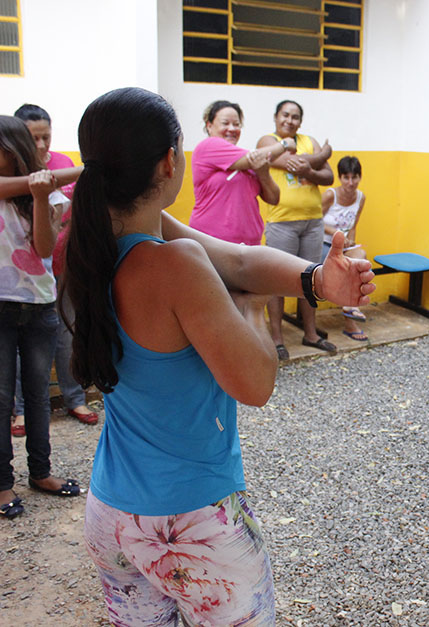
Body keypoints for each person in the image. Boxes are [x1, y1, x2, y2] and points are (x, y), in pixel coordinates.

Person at [66, 87, 373, 623]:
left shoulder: (90, 240)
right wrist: (250, 308)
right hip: (193, 522)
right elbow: (255, 383)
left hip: (112, 513)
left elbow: (237, 258)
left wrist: (318, 280)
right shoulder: (174, 264)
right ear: (169, 162)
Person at [0, 115, 83, 519]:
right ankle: (1, 484)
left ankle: (41, 472)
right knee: (1, 400)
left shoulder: (46, 196)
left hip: (38, 307)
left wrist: (38, 195)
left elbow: (44, 249)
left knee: (37, 396)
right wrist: (78, 171)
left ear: (13, 150)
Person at [12, 104, 99, 429]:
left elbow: (76, 213)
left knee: (67, 334)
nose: (42, 145)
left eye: (46, 137)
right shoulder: (13, 169)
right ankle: (20, 409)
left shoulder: (62, 164)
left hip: (64, 267)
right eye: (34, 138)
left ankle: (74, 399)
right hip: (23, 277)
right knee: (21, 343)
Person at [257, 100, 336, 357]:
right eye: (285, 115)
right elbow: (283, 162)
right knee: (277, 281)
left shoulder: (308, 140)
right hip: (281, 223)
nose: (289, 121)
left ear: (300, 122)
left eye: (295, 117)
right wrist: (321, 156)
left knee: (310, 280)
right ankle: (278, 340)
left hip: (313, 222)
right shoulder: (266, 141)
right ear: (276, 117)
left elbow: (328, 177)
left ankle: (310, 334)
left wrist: (310, 169)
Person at [188, 100, 292, 246]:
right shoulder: (208, 146)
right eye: (225, 123)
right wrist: (285, 144)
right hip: (212, 243)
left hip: (249, 247)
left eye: (236, 124)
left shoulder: (247, 161)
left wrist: (263, 174)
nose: (232, 128)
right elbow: (260, 156)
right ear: (209, 126)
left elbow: (274, 198)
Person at [321, 155, 368, 342]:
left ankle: (350, 311)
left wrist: (351, 242)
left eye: (355, 177)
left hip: (344, 247)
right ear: (340, 178)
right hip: (323, 244)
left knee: (360, 259)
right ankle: (350, 321)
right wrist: (336, 234)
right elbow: (314, 221)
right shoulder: (330, 195)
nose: (351, 182)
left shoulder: (361, 197)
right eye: (346, 177)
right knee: (345, 268)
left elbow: (354, 225)